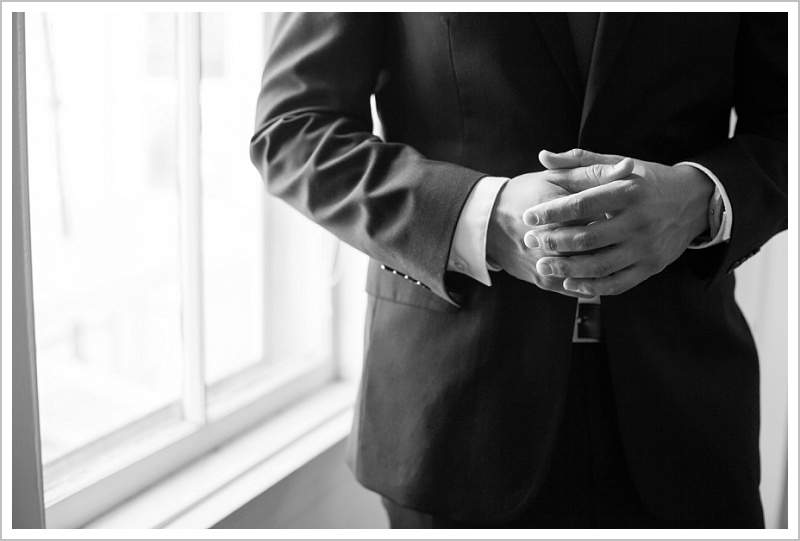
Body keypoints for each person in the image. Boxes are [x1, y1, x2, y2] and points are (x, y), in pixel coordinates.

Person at [249, 12, 787, 528]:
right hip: (452, 416)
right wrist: (477, 217)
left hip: (686, 412)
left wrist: (702, 199)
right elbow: (293, 130)